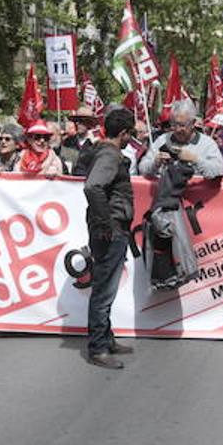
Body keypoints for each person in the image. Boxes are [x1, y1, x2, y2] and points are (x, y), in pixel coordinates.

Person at [83, 107, 136, 370]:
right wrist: (105, 222)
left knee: (109, 287)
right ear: (124, 133)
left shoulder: (109, 153)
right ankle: (98, 347)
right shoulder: (110, 155)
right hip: (110, 229)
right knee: (104, 290)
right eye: (131, 133)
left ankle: (106, 337)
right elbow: (93, 186)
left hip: (113, 227)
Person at [138, 100, 223, 179]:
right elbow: (142, 168)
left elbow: (219, 171)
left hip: (196, 195)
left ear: (193, 123)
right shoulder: (162, 140)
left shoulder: (207, 144)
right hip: (166, 194)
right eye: (174, 124)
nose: (177, 129)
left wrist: (195, 159)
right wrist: (155, 163)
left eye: (182, 125)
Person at [63, 105, 101, 176]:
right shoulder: (68, 142)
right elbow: (65, 163)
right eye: (76, 121)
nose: (77, 124)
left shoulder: (96, 144)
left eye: (81, 121)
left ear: (89, 123)